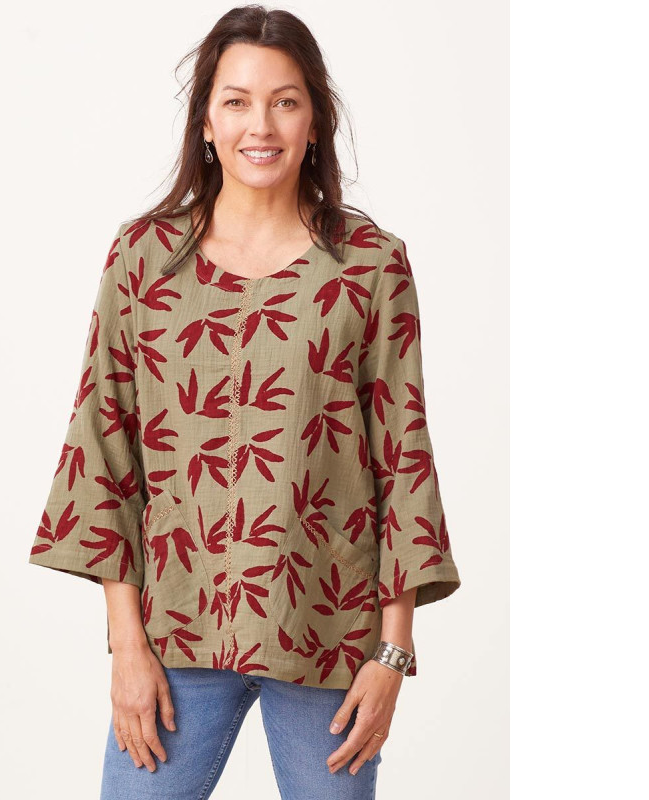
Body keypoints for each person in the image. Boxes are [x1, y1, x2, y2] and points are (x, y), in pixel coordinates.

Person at [27, 5, 462, 799]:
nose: (260, 125)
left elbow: (402, 458)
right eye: (236, 101)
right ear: (205, 121)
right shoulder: (143, 258)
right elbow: (104, 445)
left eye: (285, 101)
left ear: (314, 121)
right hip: (175, 632)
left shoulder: (370, 265)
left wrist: (392, 654)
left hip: (329, 630)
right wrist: (127, 647)